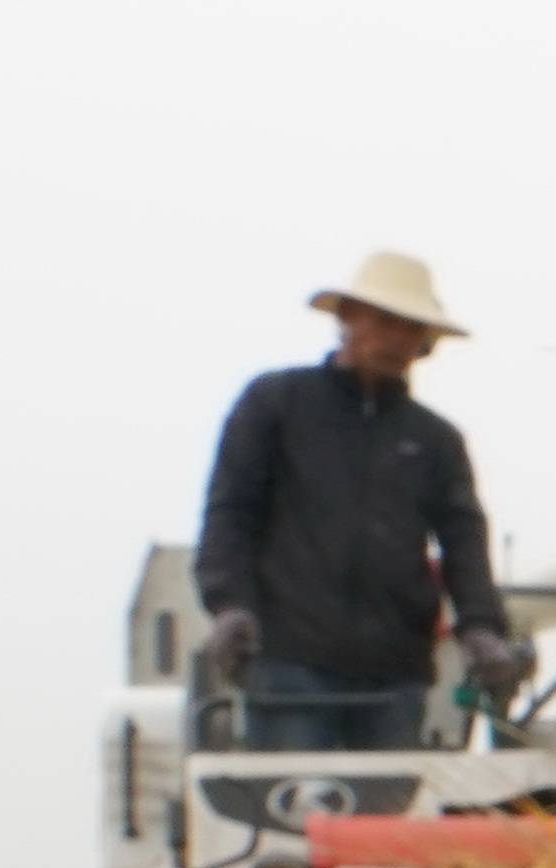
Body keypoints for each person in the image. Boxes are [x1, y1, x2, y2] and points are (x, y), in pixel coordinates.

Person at [193, 251, 525, 751]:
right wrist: (229, 605)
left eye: (412, 328)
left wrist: (480, 627)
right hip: (289, 662)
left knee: (389, 825)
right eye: (385, 320)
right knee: (302, 817)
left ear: (425, 343)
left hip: (396, 673)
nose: (397, 338)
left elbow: (463, 542)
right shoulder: (275, 403)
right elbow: (231, 511)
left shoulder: (435, 439)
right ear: (347, 318)